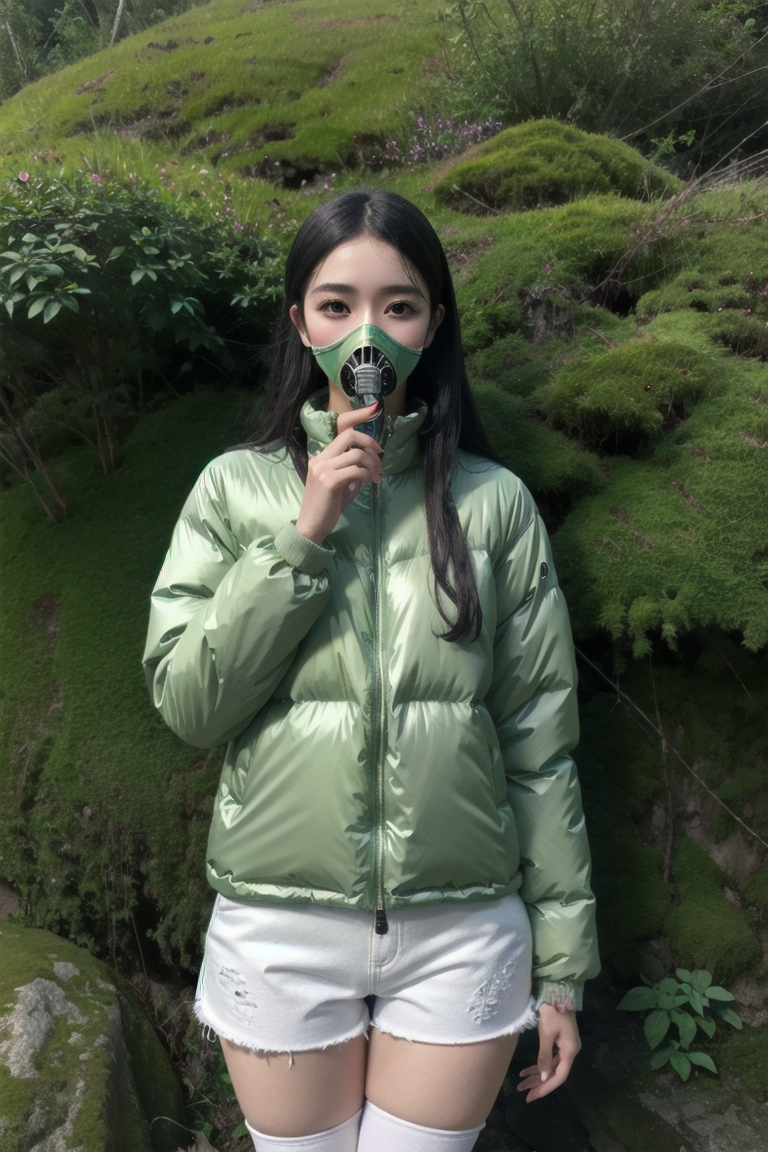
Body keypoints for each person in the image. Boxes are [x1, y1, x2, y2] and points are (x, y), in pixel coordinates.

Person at [143, 189, 598, 1152]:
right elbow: (189, 705)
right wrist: (302, 536)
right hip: (280, 928)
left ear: (433, 326)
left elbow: (540, 748)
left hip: (462, 931)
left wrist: (562, 969)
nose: (368, 332)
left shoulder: (496, 504)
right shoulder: (232, 489)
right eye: (337, 303)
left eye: (399, 305)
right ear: (301, 323)